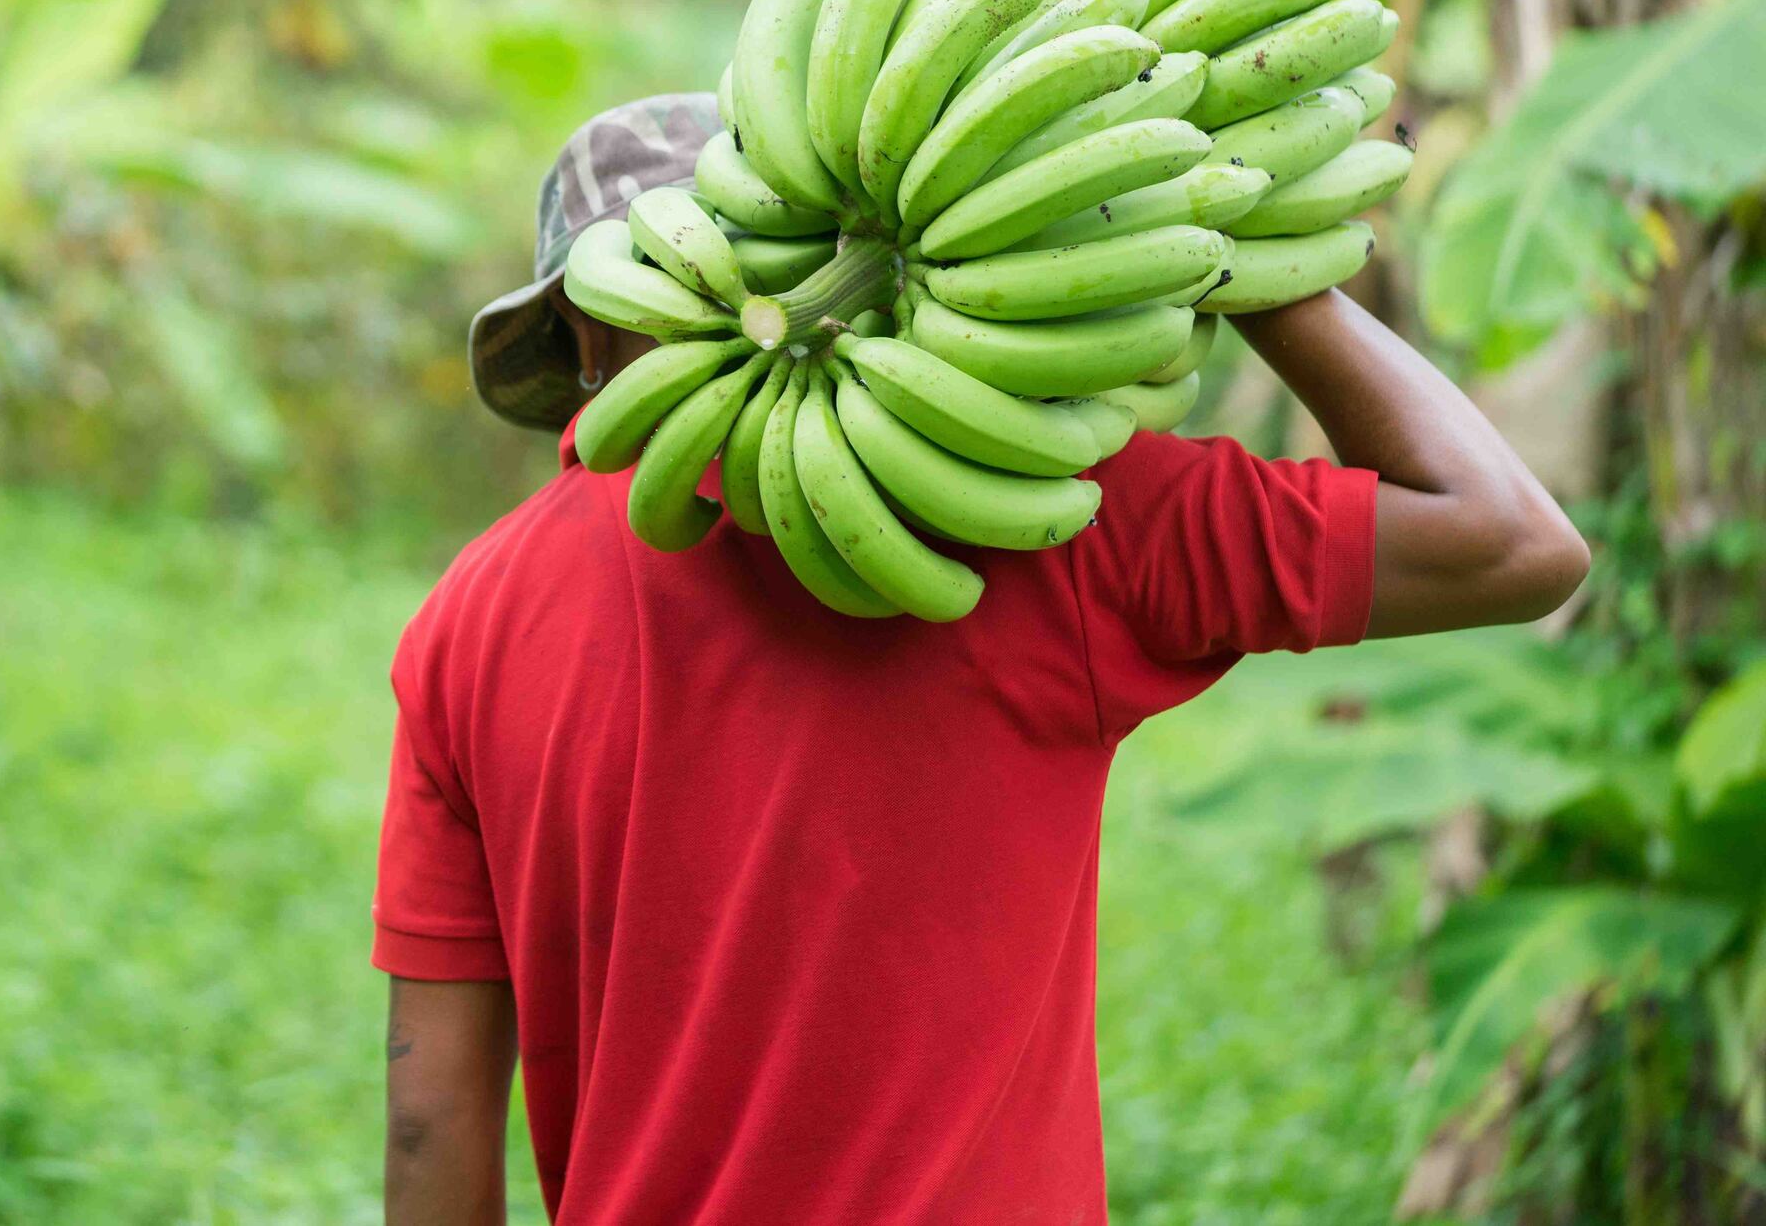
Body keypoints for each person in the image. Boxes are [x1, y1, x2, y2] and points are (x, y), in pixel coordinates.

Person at [372, 92, 1589, 1226]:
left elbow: (433, 1127)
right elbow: (1510, 542)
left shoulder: (465, 624)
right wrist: (1247, 257)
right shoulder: (1043, 516)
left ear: (577, 337)